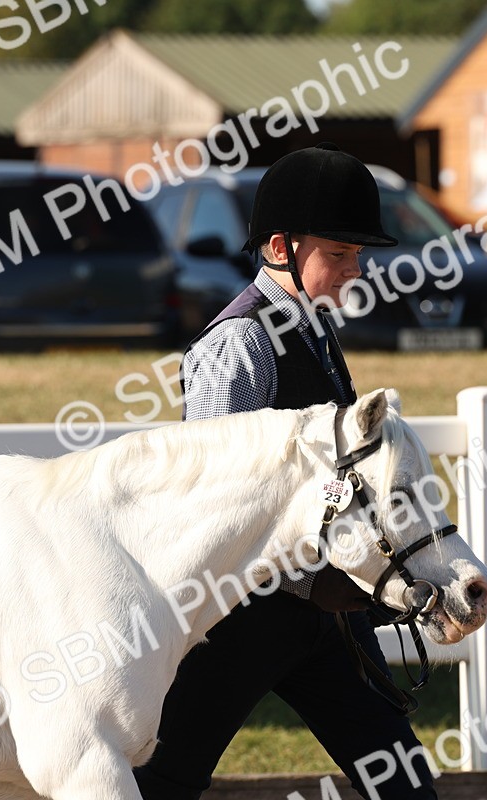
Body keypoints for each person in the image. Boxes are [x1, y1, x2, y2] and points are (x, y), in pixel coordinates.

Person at [133, 143, 438, 800]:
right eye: (338, 254)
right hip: (242, 620)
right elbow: (222, 500)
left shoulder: (315, 329)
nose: (355, 269)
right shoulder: (237, 344)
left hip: (327, 615)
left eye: (358, 255)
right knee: (163, 783)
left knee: (405, 785)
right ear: (280, 247)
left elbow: (325, 478)